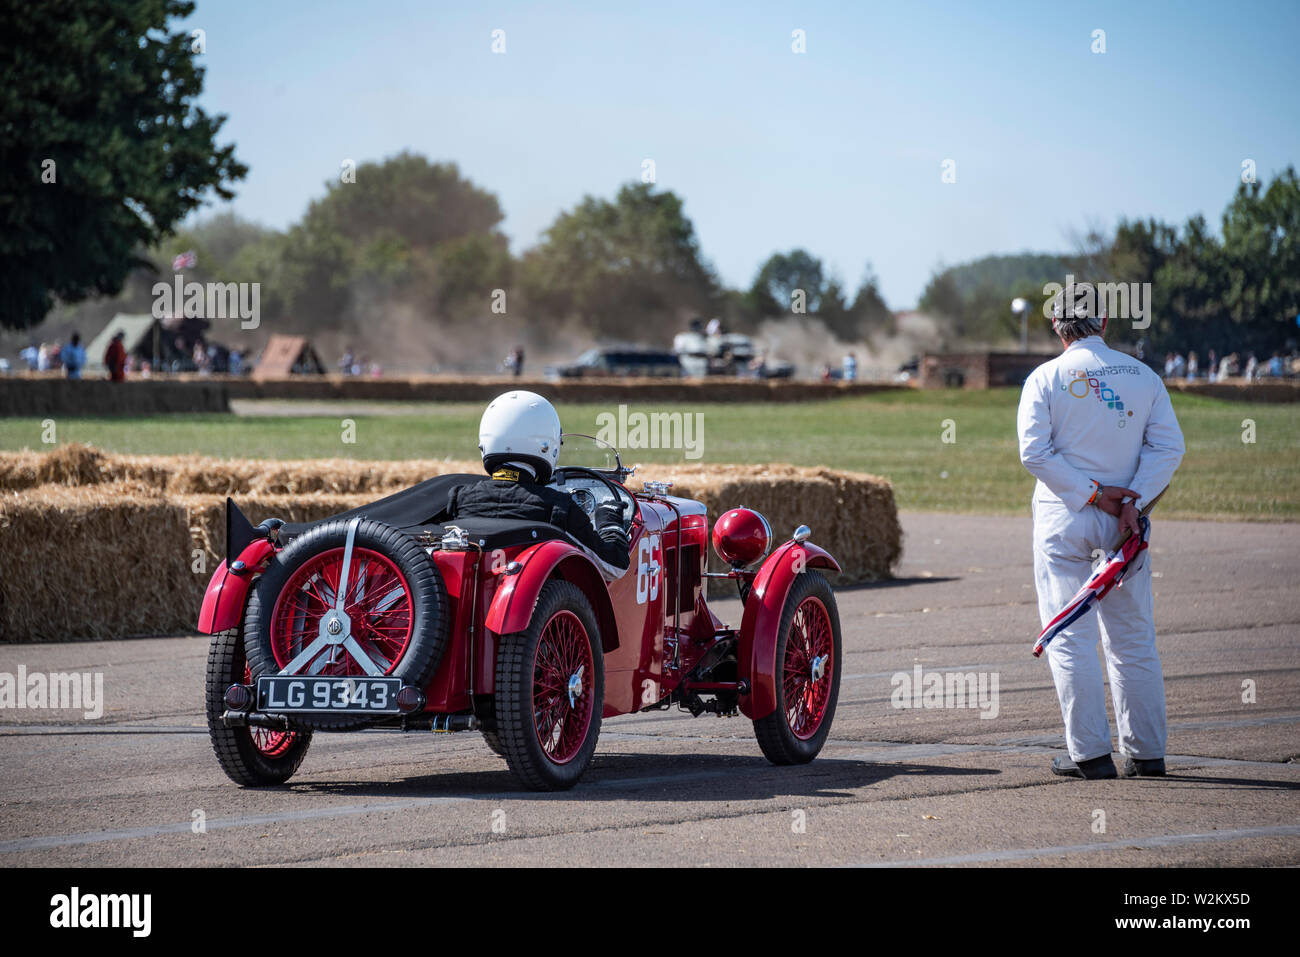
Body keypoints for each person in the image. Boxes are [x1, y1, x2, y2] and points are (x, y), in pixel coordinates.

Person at [1017, 282, 1184, 780]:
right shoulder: (1143, 375)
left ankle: (1089, 755)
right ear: (1105, 323)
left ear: (1055, 326)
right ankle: (1147, 753)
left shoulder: (1044, 378)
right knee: (1133, 638)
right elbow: (1168, 449)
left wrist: (1091, 492)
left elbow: (1034, 453)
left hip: (1064, 518)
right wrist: (1132, 497)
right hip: (1123, 523)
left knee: (1071, 636)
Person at [444, 391, 630, 574]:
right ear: (548, 444)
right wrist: (609, 521)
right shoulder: (557, 506)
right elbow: (615, 566)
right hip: (543, 601)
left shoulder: (460, 498)